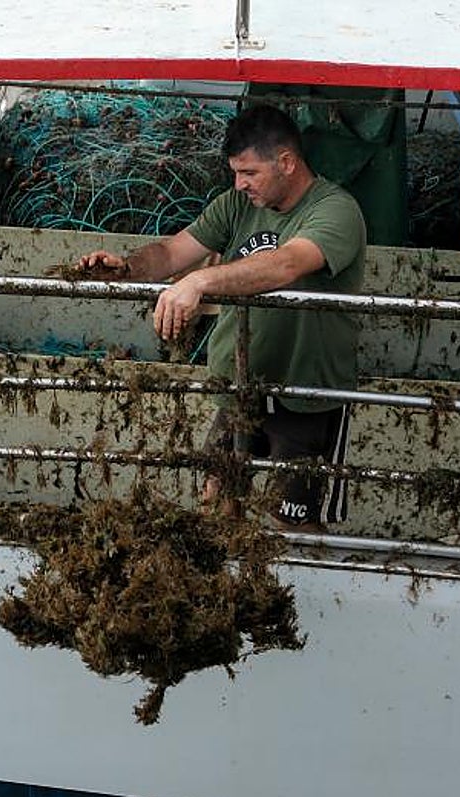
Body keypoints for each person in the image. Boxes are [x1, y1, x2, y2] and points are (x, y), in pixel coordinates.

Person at [79, 104, 365, 528]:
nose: (239, 183)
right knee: (217, 503)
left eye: (249, 172)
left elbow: (286, 264)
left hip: (305, 393)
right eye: (235, 172)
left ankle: (305, 589)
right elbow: (173, 252)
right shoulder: (235, 205)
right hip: (238, 383)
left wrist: (200, 282)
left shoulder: (336, 210)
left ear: (286, 162)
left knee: (294, 521)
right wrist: (126, 267)